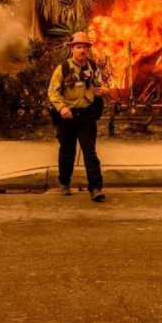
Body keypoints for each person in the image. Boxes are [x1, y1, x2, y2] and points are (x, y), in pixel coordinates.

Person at [48, 31, 109, 202]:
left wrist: (105, 91)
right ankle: (64, 183)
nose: (82, 50)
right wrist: (61, 108)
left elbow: (101, 86)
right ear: (72, 49)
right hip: (67, 117)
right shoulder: (63, 68)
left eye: (85, 47)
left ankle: (96, 188)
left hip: (87, 117)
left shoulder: (93, 68)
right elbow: (52, 92)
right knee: (67, 151)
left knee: (90, 153)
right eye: (78, 47)